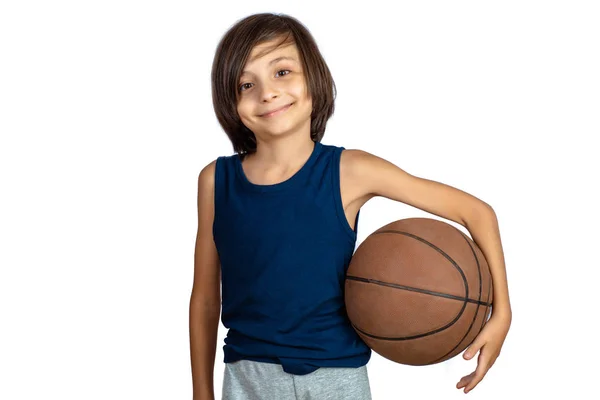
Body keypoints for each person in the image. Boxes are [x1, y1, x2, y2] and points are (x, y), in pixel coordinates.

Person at [190, 12, 512, 400]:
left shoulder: (350, 171)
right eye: (246, 83)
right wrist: (201, 393)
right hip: (247, 377)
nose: (267, 92)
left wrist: (502, 313)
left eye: (282, 72)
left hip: (336, 377)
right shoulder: (216, 181)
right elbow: (206, 298)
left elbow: (476, 212)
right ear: (232, 102)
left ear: (314, 77)